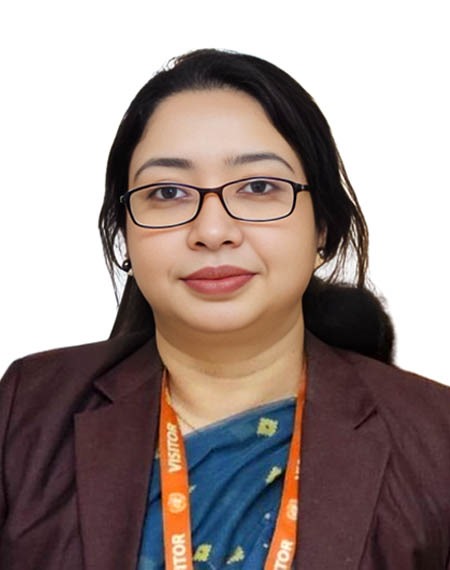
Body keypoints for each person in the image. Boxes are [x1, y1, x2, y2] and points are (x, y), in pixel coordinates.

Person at [1, 48, 449, 570]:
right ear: (124, 235)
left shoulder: (435, 438)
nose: (212, 231)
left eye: (259, 187)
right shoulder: (27, 413)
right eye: (167, 192)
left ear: (323, 228)